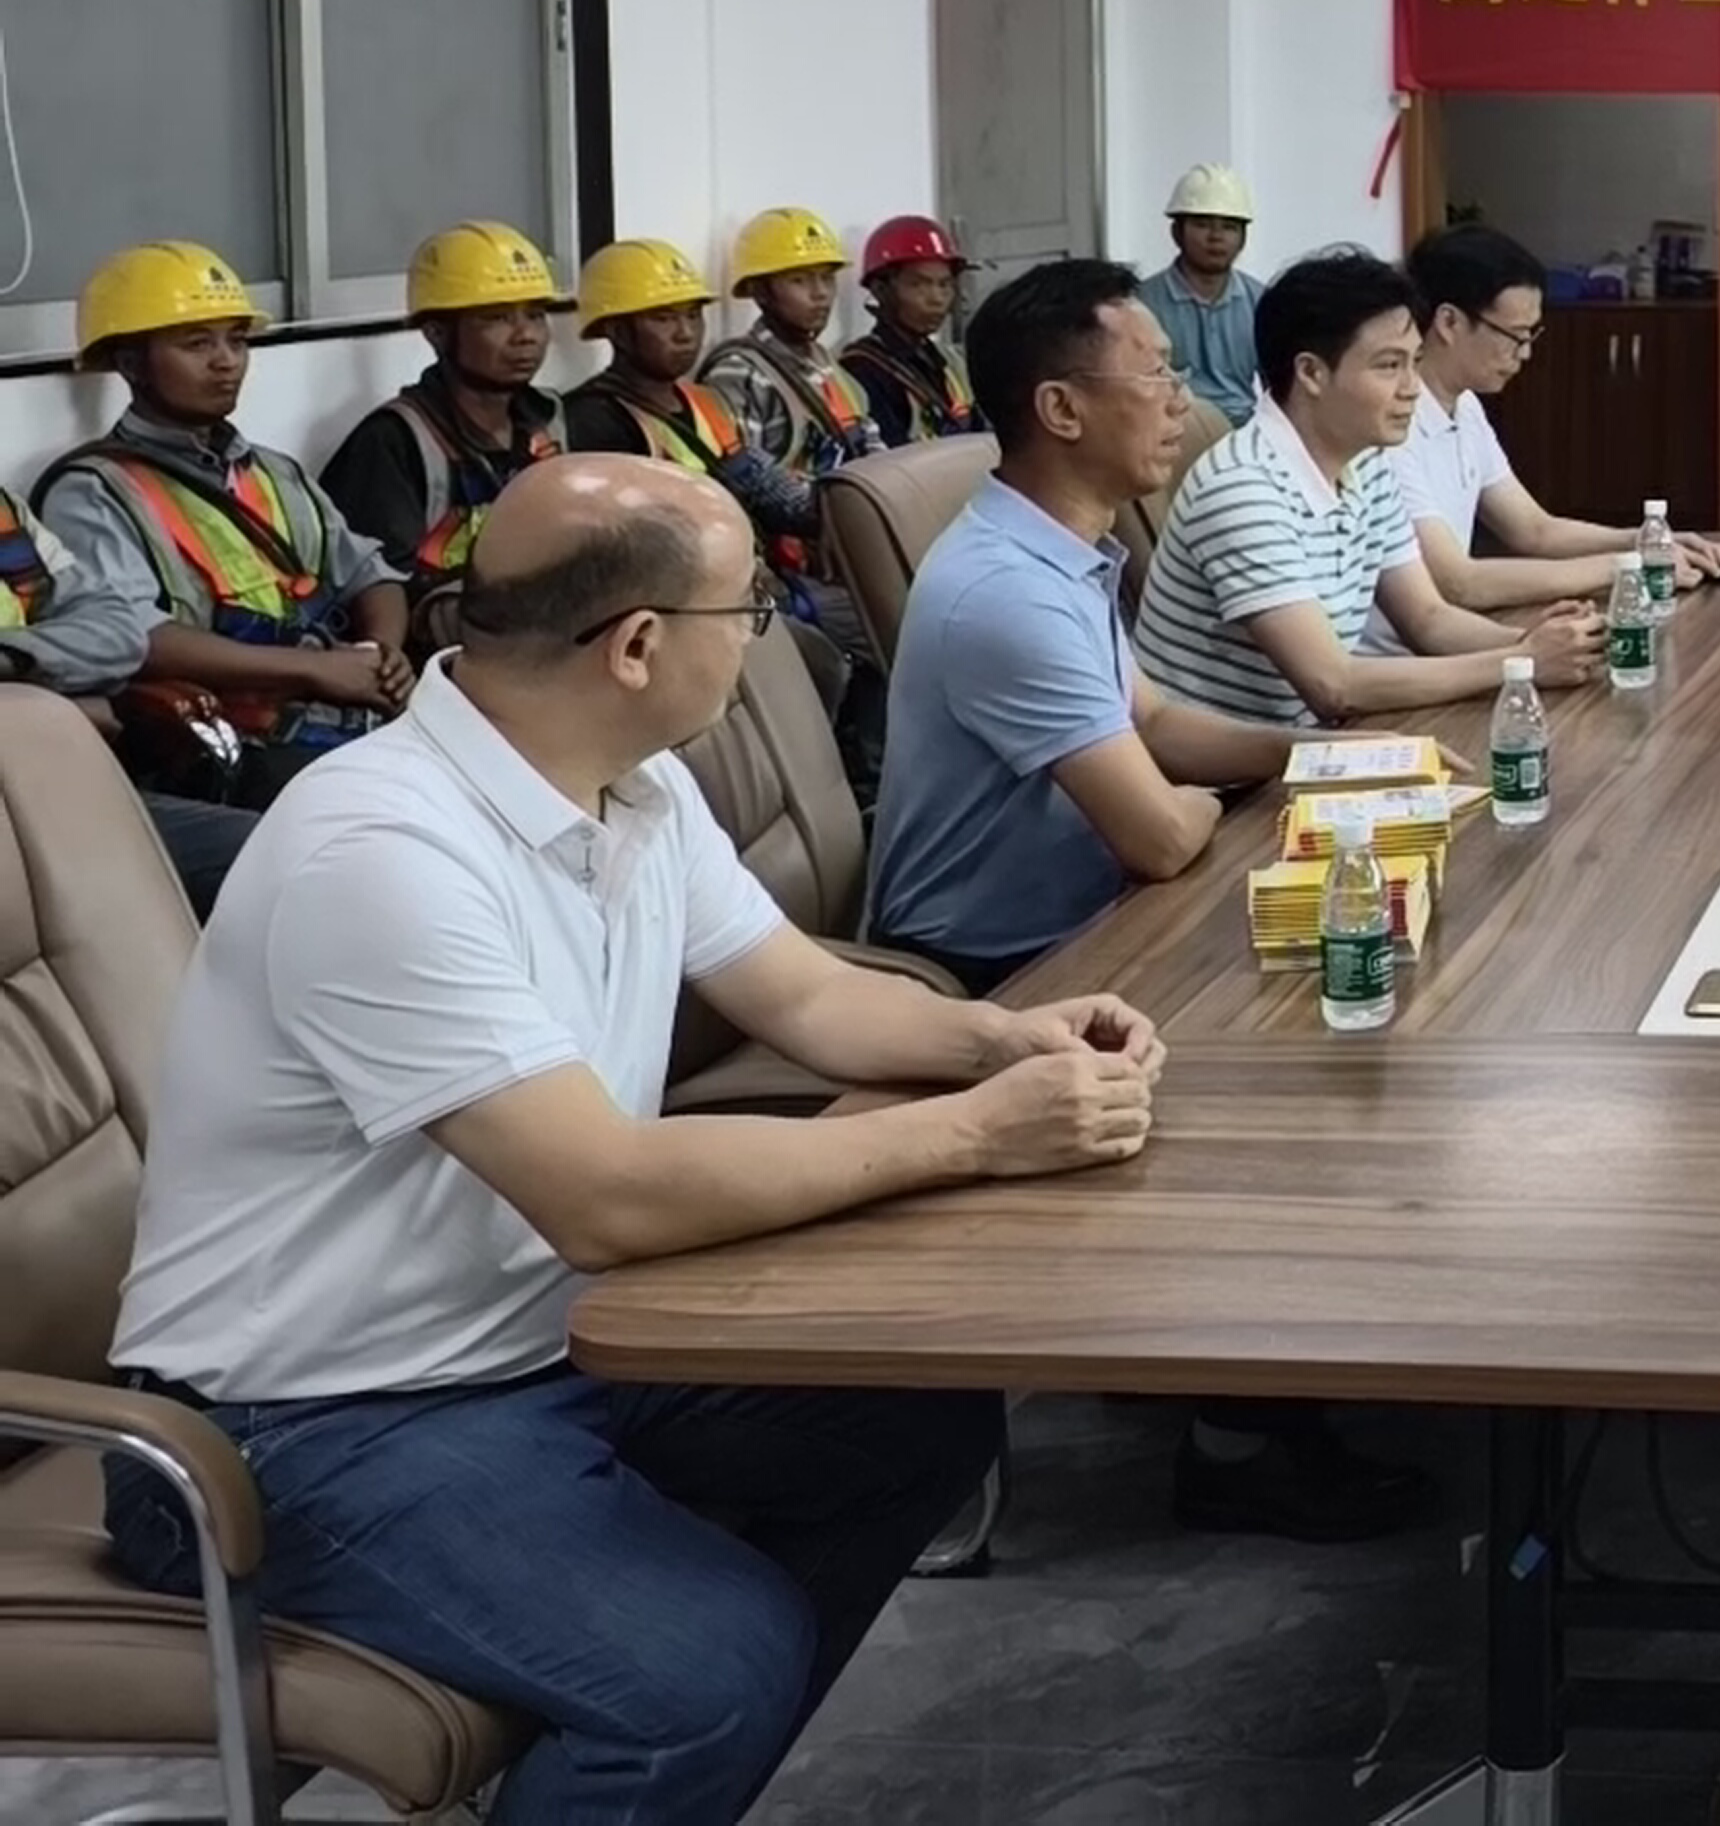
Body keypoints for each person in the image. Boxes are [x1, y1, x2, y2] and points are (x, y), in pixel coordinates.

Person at [99, 453, 1156, 1826]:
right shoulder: (381, 852)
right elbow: (602, 1197)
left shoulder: (630, 788)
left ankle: (639, 1778)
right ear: (639, 646)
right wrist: (977, 1135)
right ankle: (656, 1736)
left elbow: (809, 999)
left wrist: (1007, 1044)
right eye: (748, 612)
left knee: (906, 1422)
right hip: (298, 1425)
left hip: (539, 1345)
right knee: (703, 1675)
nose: (761, 638)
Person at [863, 257, 1426, 1543]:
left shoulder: (1061, 546)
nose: (1183, 401)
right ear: (1062, 409)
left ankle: (1251, 1361)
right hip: (1005, 955)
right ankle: (1237, 1438)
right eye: (1156, 375)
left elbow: (1157, 721)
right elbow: (1161, 833)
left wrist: (1326, 759)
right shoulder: (1007, 589)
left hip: (1088, 905)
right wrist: (1232, 793)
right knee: (1303, 1060)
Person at [1132, 248, 1603, 726]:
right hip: (1233, 767)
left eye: (1415, 362)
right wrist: (1522, 661)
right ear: (1311, 373)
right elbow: (1333, 685)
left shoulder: (1366, 461)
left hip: (1314, 742)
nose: (1412, 387)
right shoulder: (1245, 489)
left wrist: (1546, 644)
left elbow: (1428, 619)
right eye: (1389, 365)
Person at [36, 242, 414, 812]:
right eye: (197, 344)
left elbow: (369, 572)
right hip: (235, 746)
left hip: (343, 711)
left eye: (236, 340)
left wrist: (380, 656)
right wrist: (316, 671)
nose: (226, 361)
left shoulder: (275, 472)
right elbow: (135, 636)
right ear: (131, 364)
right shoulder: (93, 491)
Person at [1399, 224, 1720, 599]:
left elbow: (1534, 530)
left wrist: (1645, 540)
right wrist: (1626, 567)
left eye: (1530, 336)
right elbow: (1457, 583)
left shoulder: (1465, 406)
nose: (1525, 353)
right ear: (1449, 323)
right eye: (1515, 336)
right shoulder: (1393, 424)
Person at [0, 476, 257, 914]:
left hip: (56, 786)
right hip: (29, 776)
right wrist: (60, 712)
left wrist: (15, 660)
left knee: (266, 852)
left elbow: (119, 633)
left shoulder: (6, 514)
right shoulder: (89, 483)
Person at [321, 221, 565, 646]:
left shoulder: (549, 420)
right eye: (496, 318)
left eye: (535, 315)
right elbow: (381, 588)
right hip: (447, 645)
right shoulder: (394, 440)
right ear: (436, 333)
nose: (525, 336)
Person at [563, 240, 825, 576]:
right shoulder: (594, 419)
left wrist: (831, 505)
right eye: (664, 319)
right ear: (618, 332)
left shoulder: (706, 401)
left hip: (742, 575)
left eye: (692, 315)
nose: (685, 333)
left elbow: (768, 492)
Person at [698, 207, 883, 491]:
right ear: (760, 292)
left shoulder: (829, 367)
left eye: (826, 278)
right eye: (800, 280)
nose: (820, 293)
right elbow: (746, 487)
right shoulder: (740, 374)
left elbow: (877, 456)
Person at [1138, 166, 1267, 427]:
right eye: (1202, 224)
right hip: (1171, 428)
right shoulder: (1142, 304)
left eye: (1229, 227)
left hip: (1242, 429)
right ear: (1177, 232)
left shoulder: (1261, 301)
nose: (1216, 237)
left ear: (1243, 238)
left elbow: (1279, 387)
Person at [842, 214, 980, 448]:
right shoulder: (863, 369)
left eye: (945, 285)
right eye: (919, 285)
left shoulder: (950, 363)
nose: (936, 298)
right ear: (880, 289)